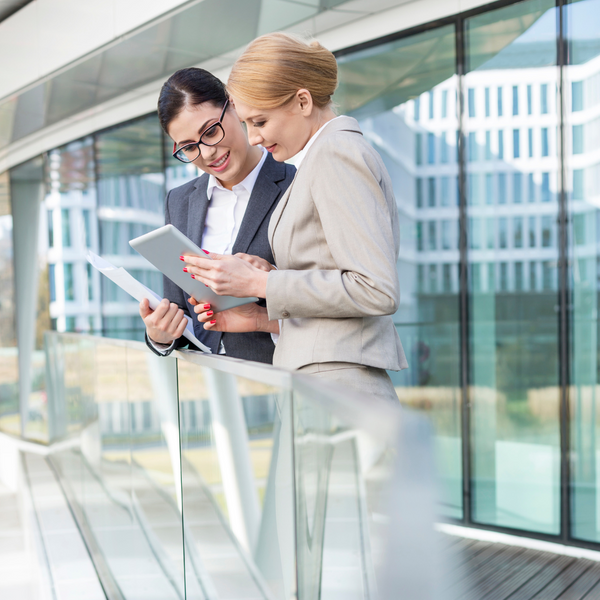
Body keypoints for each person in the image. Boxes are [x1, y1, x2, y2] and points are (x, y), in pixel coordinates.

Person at [182, 33, 408, 402]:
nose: (253, 137)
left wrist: (259, 285)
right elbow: (335, 279)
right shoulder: (324, 157)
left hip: (339, 389)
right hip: (326, 384)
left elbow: (375, 289)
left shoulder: (336, 154)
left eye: (260, 121)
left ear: (303, 101)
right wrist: (262, 304)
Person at [139, 67, 296, 363]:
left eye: (210, 131)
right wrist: (160, 335)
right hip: (208, 383)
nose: (208, 153)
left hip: (283, 376)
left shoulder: (295, 185)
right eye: (189, 147)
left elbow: (325, 296)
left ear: (233, 106)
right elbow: (180, 309)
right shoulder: (180, 201)